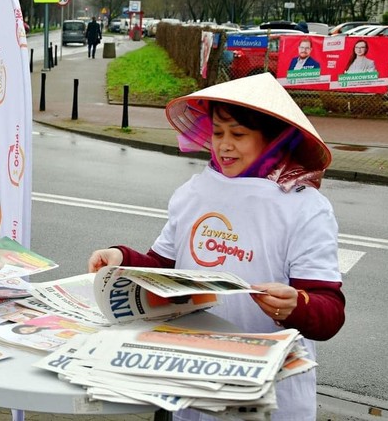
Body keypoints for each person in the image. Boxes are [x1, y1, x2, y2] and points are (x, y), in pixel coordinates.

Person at [88, 73, 345, 421]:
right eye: (217, 132)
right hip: (193, 376)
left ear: (272, 139)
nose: (223, 145)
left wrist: (297, 304)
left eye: (238, 134)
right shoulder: (195, 191)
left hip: (268, 390)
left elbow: (329, 311)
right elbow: (164, 267)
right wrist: (122, 259)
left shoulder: (304, 207)